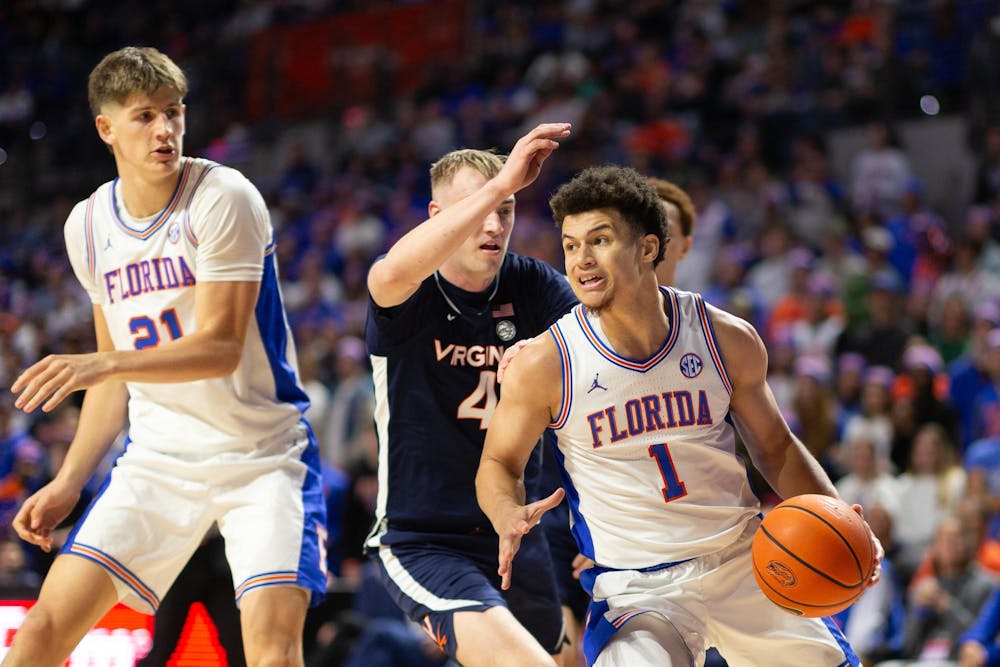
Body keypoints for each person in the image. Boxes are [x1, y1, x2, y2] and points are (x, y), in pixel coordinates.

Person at [476, 165, 882, 666]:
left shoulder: (724, 337)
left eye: (599, 241)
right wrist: (504, 511)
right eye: (571, 244)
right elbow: (498, 462)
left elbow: (775, 447)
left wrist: (840, 518)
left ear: (648, 249)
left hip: (744, 560)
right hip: (639, 586)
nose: (581, 260)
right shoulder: (547, 362)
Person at [5, 47, 326, 666]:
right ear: (106, 128)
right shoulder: (88, 224)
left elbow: (219, 347)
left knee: (272, 651)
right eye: (145, 116)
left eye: (174, 113)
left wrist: (104, 363)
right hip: (159, 459)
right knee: (42, 632)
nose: (164, 131)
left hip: (262, 457)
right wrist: (69, 481)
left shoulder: (222, 195)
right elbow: (111, 381)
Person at [364, 122, 578, 667]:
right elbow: (386, 273)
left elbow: (601, 364)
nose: (493, 223)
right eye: (479, 206)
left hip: (516, 531)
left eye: (506, 209)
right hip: (426, 538)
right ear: (438, 217)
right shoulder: (406, 291)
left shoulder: (534, 287)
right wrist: (500, 183)